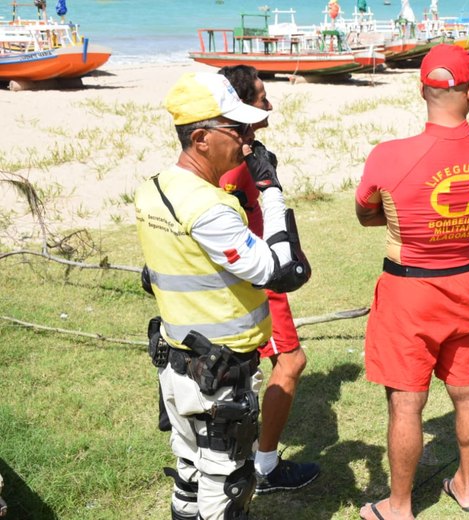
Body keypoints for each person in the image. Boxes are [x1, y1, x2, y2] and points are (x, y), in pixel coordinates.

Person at [135, 71, 310, 520]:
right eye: (236, 131)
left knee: (190, 473)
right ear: (200, 138)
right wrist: (270, 190)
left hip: (179, 361)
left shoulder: (153, 190)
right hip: (218, 372)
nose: (244, 143)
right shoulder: (211, 208)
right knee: (226, 482)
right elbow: (280, 270)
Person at [354, 44, 469, 520]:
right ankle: (464, 486)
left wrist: (404, 223)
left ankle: (399, 506)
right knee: (467, 390)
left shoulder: (389, 155)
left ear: (422, 89)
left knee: (406, 404)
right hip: (465, 284)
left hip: (409, 291)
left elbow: (366, 214)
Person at [216, 65, 320, 494]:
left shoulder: (236, 150)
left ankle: (234, 457)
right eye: (262, 98)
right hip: (258, 276)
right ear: (240, 105)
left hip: (253, 270)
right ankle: (265, 466)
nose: (271, 104)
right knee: (291, 363)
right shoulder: (237, 163)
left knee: (238, 368)